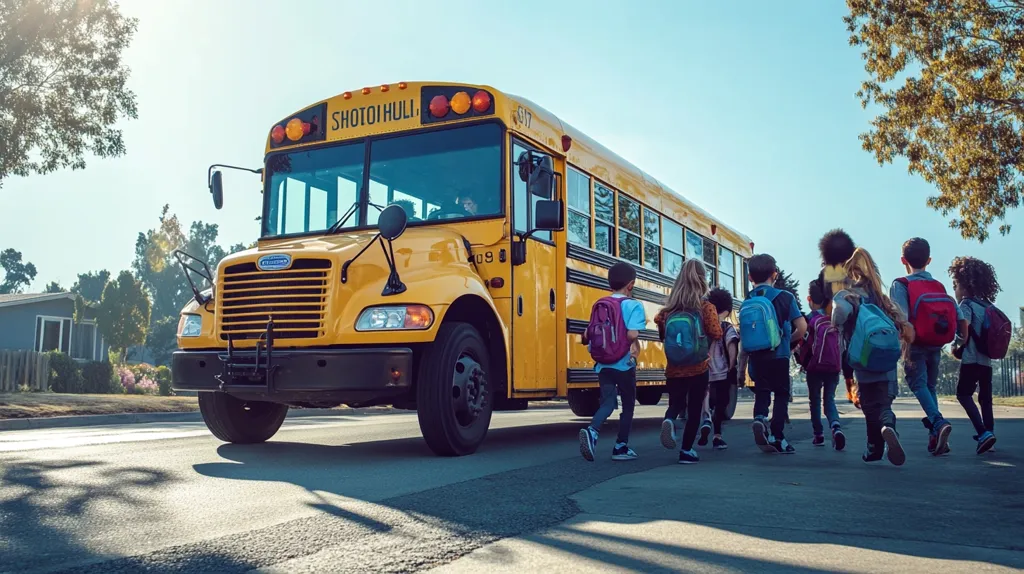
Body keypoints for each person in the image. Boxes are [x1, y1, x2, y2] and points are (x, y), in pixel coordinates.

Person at [831, 248, 913, 466]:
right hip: (887, 361)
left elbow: (839, 314)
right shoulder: (882, 299)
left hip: (863, 359)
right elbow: (904, 324)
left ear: (849, 273)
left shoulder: (848, 295)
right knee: (884, 403)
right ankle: (888, 424)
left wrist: (837, 323)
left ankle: (874, 449)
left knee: (869, 405)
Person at [889, 237, 959, 456]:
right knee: (929, 386)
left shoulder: (901, 284)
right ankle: (935, 437)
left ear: (903, 260)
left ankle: (938, 423)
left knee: (918, 385)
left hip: (915, 343)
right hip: (936, 343)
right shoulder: (938, 285)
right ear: (929, 260)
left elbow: (902, 318)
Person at [655, 258, 723, 464]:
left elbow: (662, 335)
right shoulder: (705, 307)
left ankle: (669, 419)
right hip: (698, 366)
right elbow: (716, 332)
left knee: (676, 402)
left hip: (674, 368)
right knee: (694, 408)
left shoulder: (667, 312)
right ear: (702, 280)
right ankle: (686, 450)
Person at [578, 262, 646, 462]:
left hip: (603, 364)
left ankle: (592, 431)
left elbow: (585, 336)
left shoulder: (600, 303)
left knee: (607, 403)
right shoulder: (633, 305)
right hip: (623, 364)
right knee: (628, 405)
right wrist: (633, 343)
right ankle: (621, 446)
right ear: (631, 285)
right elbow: (632, 333)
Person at [739, 254, 806, 454]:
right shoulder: (785, 297)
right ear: (774, 274)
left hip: (756, 356)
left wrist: (740, 370)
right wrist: (787, 339)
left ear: (750, 277)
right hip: (779, 355)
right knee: (782, 394)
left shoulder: (748, 300)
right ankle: (777, 435)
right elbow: (801, 328)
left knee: (762, 391)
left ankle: (760, 418)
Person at [949, 256, 1002, 455]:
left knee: (963, 395)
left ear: (964, 286)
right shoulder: (988, 306)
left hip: (971, 359)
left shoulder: (966, 305)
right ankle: (990, 435)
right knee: (985, 400)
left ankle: (982, 434)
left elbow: (964, 331)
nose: (954, 291)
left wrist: (956, 346)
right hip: (987, 362)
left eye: (955, 286)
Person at [799, 279, 847, 450]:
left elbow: (801, 342)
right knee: (829, 400)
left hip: (813, 366)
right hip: (833, 366)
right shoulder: (833, 318)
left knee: (814, 400)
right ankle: (835, 427)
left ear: (809, 299)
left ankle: (818, 435)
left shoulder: (809, 319)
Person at [817, 229, 860, 409]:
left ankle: (849, 389)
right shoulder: (857, 271)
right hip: (860, 320)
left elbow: (822, 300)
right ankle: (858, 389)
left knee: (842, 357)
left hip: (836, 323)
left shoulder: (826, 274)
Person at [699, 287, 740, 450]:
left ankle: (705, 419)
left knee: (705, 399)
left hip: (704, 370)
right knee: (721, 405)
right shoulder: (727, 327)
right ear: (728, 311)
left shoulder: (704, 324)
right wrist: (732, 366)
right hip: (722, 373)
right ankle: (717, 436)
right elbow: (731, 346)